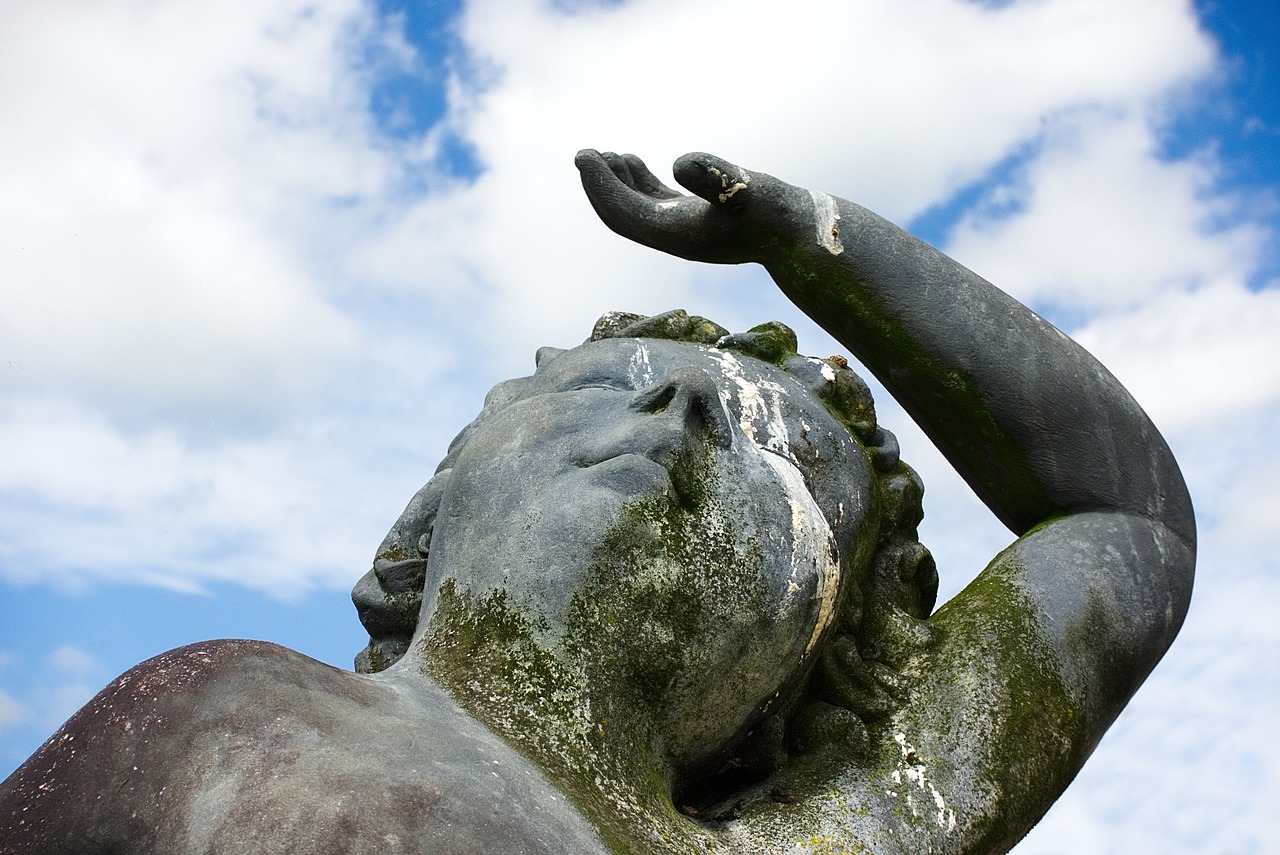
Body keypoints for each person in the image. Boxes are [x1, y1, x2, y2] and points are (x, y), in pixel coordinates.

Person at [0, 149, 1194, 855]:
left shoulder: (819, 841)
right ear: (429, 512)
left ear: (821, 658)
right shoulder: (226, 710)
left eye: (784, 463)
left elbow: (1125, 520)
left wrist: (819, 244)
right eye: (610, 390)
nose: (684, 417)